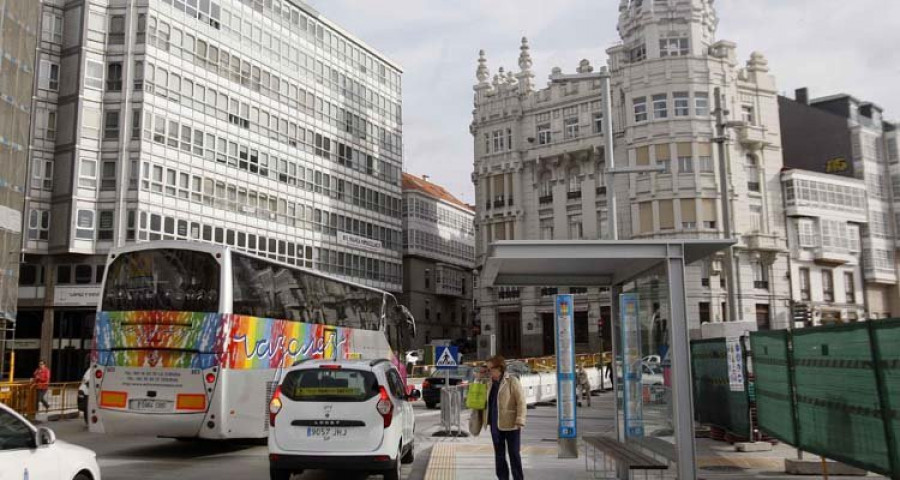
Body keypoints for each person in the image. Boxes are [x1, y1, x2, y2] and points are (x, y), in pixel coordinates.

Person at [474, 355, 526, 480]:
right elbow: (475, 397)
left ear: (499, 368)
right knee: (499, 455)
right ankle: (503, 478)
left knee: (514, 454)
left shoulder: (512, 381)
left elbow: (521, 402)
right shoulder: (488, 383)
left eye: (490, 368)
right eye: (487, 368)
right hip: (495, 426)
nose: (489, 371)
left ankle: (518, 478)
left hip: (511, 425)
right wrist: (478, 379)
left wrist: (520, 419)